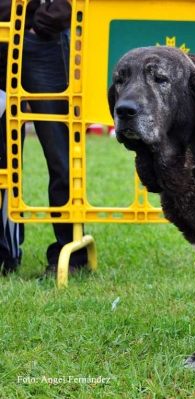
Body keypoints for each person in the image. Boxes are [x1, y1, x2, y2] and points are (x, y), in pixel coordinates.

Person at [0, 0, 88, 276]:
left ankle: (69, 252)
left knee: (60, 154)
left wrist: (45, 21)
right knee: (3, 159)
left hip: (42, 41)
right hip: (9, 32)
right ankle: (6, 253)